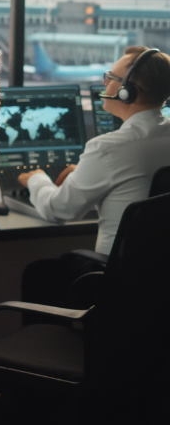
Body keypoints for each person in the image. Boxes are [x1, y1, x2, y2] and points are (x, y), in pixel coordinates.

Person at [17, 46, 170, 307]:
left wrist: (36, 178)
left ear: (128, 91)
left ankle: (63, 346)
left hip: (118, 286)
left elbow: (58, 210)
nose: (105, 83)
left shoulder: (109, 147)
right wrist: (85, 175)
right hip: (159, 287)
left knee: (39, 274)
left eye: (110, 78)